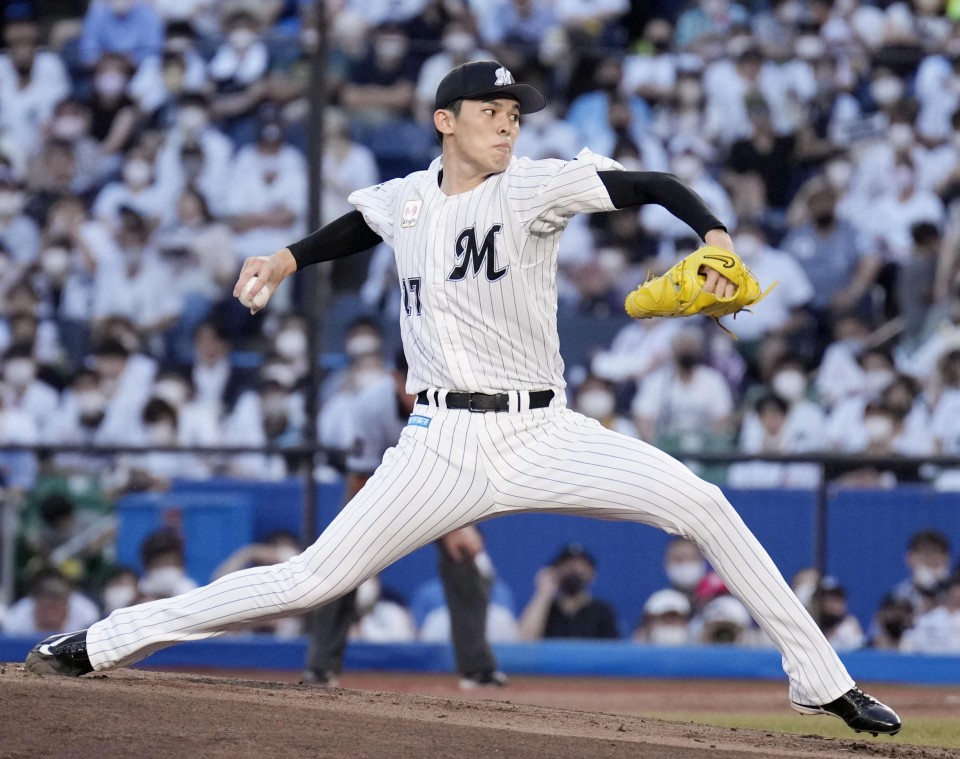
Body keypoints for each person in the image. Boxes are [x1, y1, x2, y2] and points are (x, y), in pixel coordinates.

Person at [27, 60, 900, 738]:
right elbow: (355, 227)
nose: (508, 126)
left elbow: (649, 185)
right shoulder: (405, 196)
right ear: (445, 121)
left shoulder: (534, 187)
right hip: (441, 439)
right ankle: (104, 640)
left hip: (544, 427)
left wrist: (712, 235)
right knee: (311, 577)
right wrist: (285, 259)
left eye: (515, 115)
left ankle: (823, 680)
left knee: (706, 503)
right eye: (491, 113)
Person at [304, 351, 507, 688]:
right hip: (378, 485)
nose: (418, 391)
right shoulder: (370, 406)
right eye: (412, 383)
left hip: (439, 487)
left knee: (465, 556)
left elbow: (461, 473)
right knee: (337, 558)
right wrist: (360, 536)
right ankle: (321, 667)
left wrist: (458, 526)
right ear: (395, 379)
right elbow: (360, 480)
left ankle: (477, 668)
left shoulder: (452, 401)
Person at [518, 544, 619, 640]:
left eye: (582, 566)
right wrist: (543, 594)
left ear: (593, 575)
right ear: (555, 571)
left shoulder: (603, 611)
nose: (575, 570)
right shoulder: (546, 609)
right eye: (568, 564)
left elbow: (614, 651)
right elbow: (524, 643)